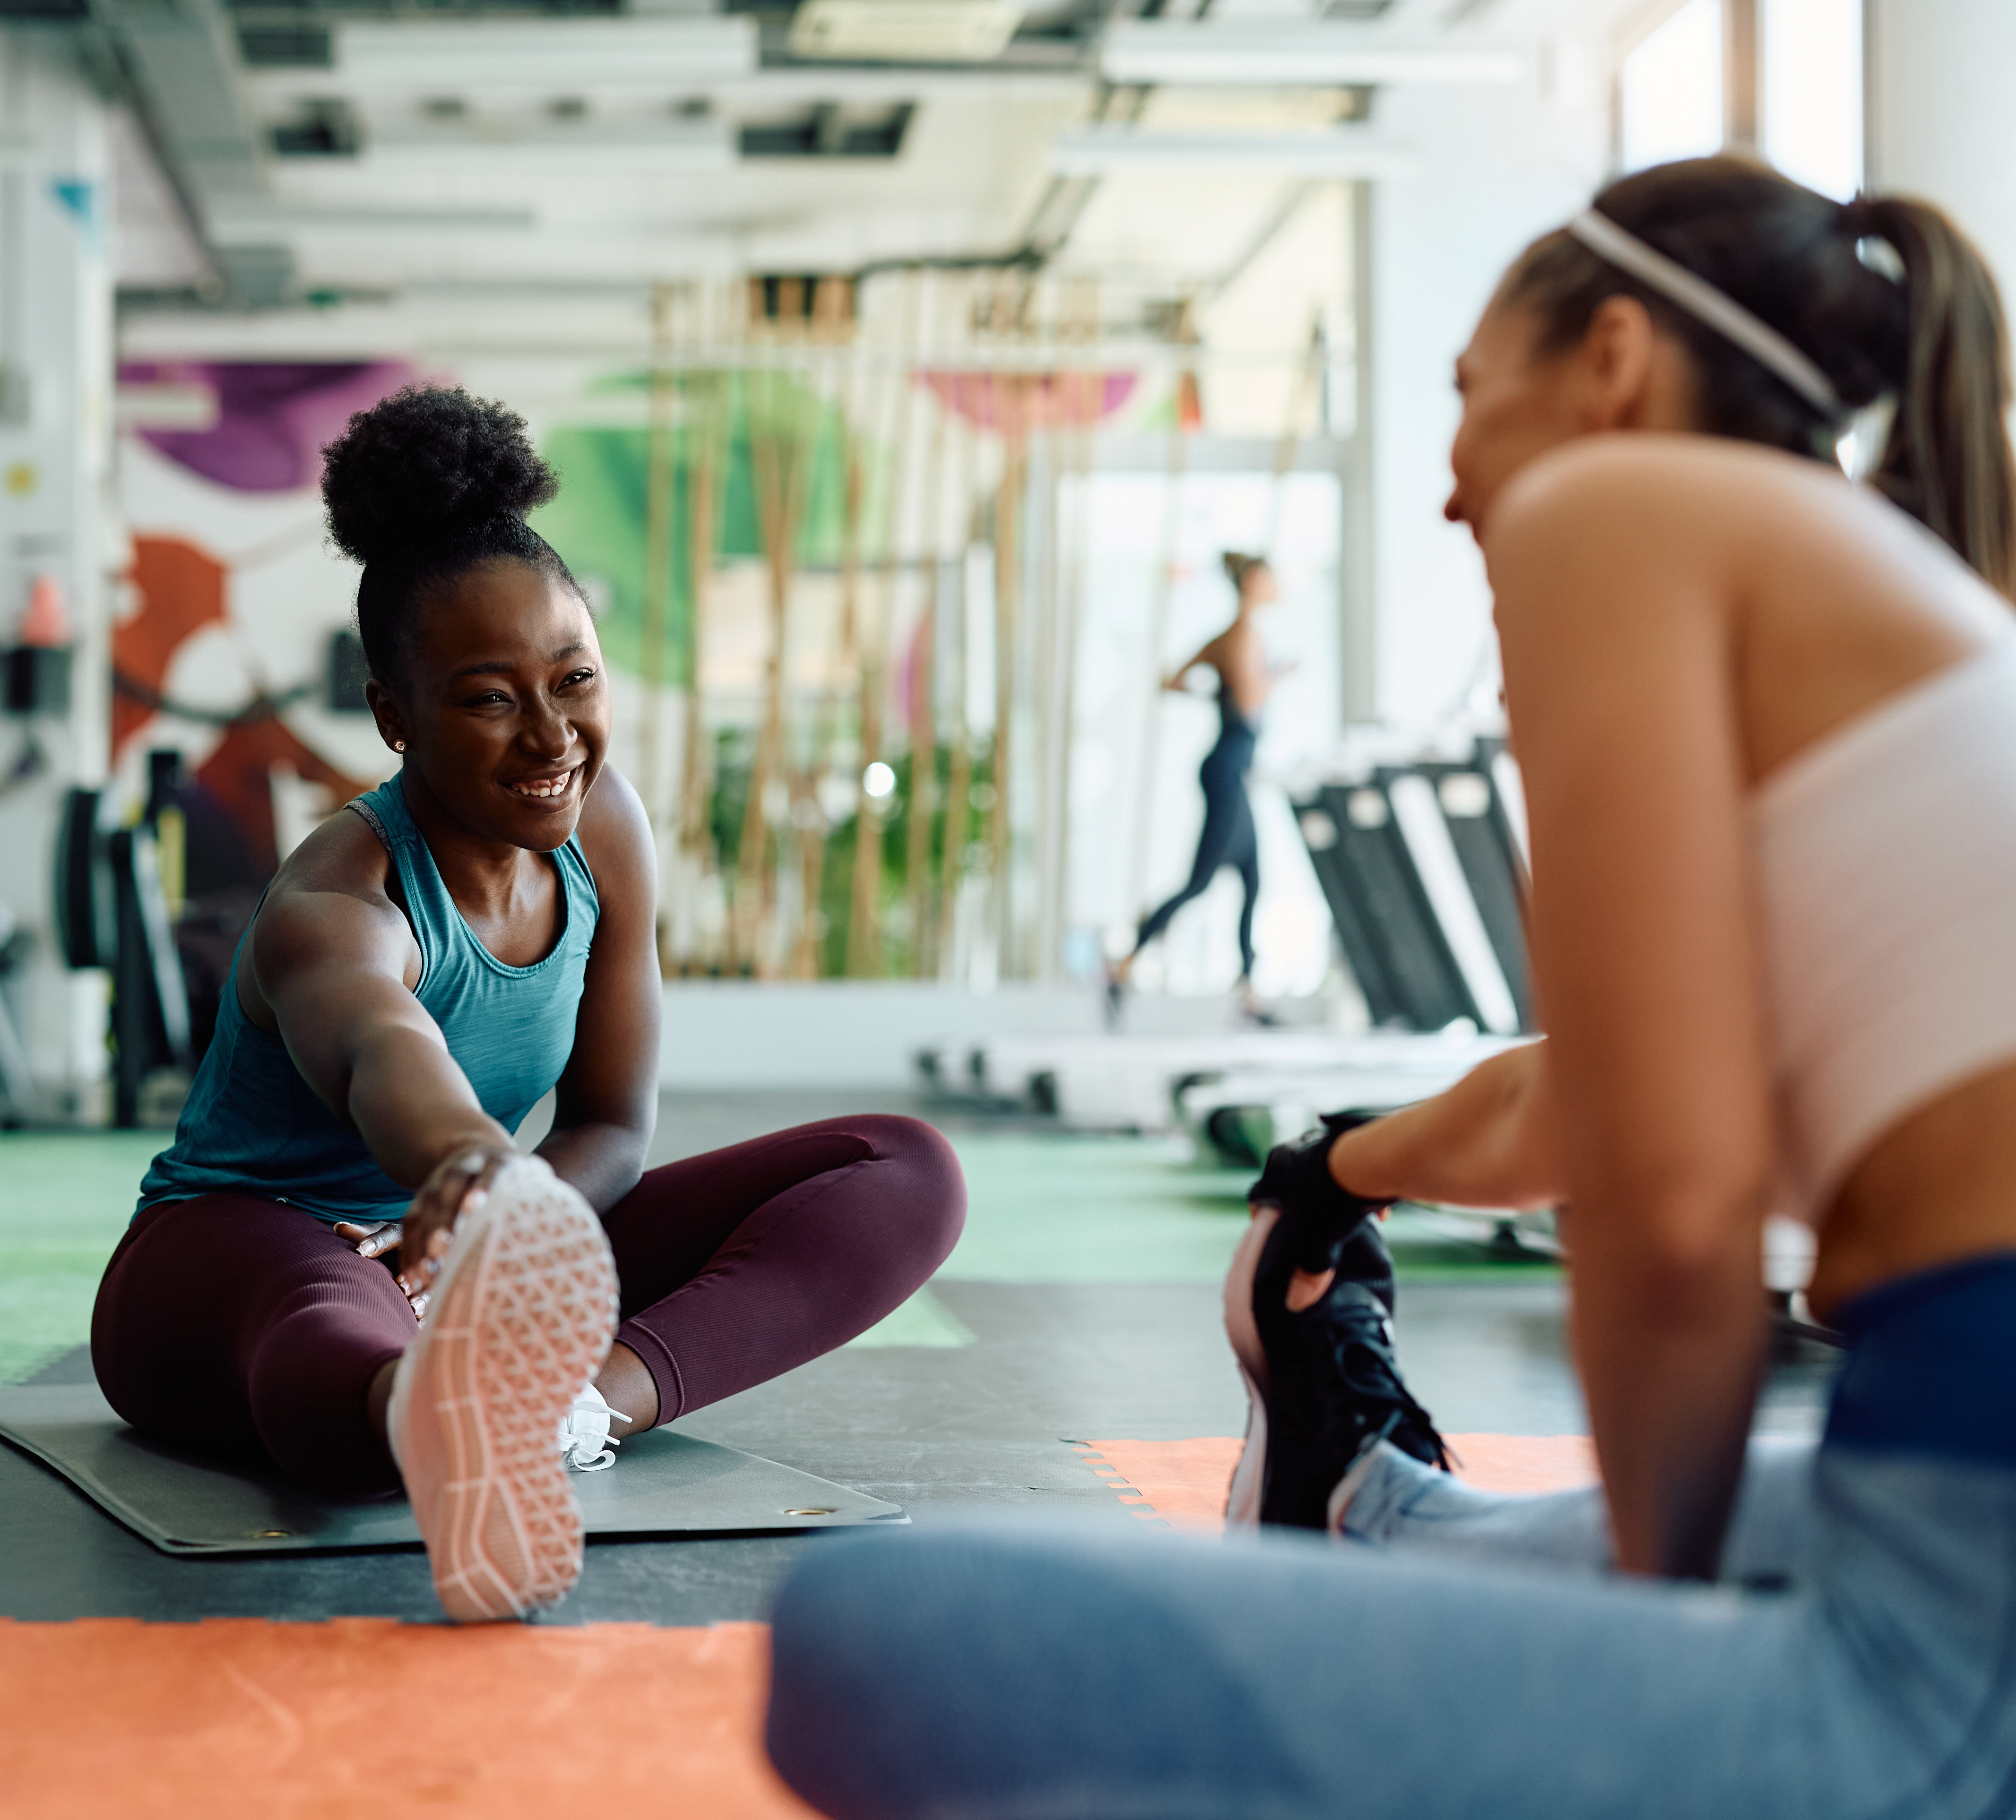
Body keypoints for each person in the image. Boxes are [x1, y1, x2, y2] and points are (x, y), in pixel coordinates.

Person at [765, 155, 2016, 1817]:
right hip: (1936, 1493)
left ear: (1619, 360)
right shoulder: (1907, 607)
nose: (1447, 489)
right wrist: (1332, 1174)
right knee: (1492, 1547)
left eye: (1462, 395)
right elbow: (1579, 1101)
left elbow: (1676, 1214)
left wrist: (1641, 1672)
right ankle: (1372, 1505)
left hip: (1957, 1619)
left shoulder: (1621, 511)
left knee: (875, 1638)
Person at [90, 386, 967, 1623]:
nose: (553, 736)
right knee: (328, 1315)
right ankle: (416, 1412)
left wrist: (503, 1220)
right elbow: (381, 1040)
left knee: (905, 1167)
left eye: (575, 679)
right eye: (491, 698)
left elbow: (611, 1123)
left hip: (479, 1242)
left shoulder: (604, 836)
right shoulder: (335, 898)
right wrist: (468, 1174)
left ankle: (566, 1415)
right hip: (238, 1254)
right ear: (395, 717)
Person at [1109, 550, 1281, 1013]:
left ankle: (1249, 988)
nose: (1278, 586)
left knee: (1252, 877)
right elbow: (1249, 702)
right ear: (1251, 583)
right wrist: (1275, 677)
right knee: (1201, 882)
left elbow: (1173, 681)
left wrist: (1213, 691)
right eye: (1270, 579)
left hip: (1229, 768)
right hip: (1228, 766)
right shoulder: (1244, 637)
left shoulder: (1225, 637)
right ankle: (1125, 960)